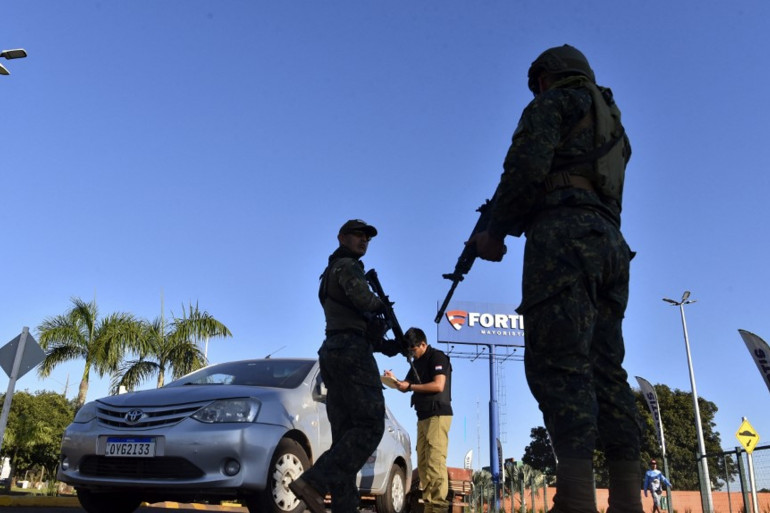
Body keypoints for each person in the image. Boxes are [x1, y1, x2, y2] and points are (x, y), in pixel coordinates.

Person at [468, 45, 642, 513]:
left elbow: (525, 170)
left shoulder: (555, 103)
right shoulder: (614, 126)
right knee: (607, 369)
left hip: (562, 242)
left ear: (546, 78)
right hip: (610, 243)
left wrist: (495, 231)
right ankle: (628, 498)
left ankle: (577, 499)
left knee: (559, 364)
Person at [290, 219, 402, 513]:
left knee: (344, 440)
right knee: (369, 425)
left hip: (336, 350)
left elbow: (363, 328)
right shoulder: (347, 266)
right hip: (351, 352)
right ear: (341, 237)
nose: (363, 240)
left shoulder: (331, 272)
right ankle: (313, 482)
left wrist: (393, 343)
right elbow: (364, 300)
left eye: (367, 237)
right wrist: (382, 307)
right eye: (357, 235)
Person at [384, 327, 453, 513]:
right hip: (422, 418)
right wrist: (395, 381)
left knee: (435, 463)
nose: (411, 354)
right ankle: (430, 507)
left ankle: (438, 508)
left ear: (423, 344)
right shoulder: (416, 363)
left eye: (413, 350)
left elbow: (439, 385)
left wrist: (411, 386)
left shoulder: (437, 357)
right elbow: (406, 386)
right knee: (423, 465)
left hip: (437, 415)